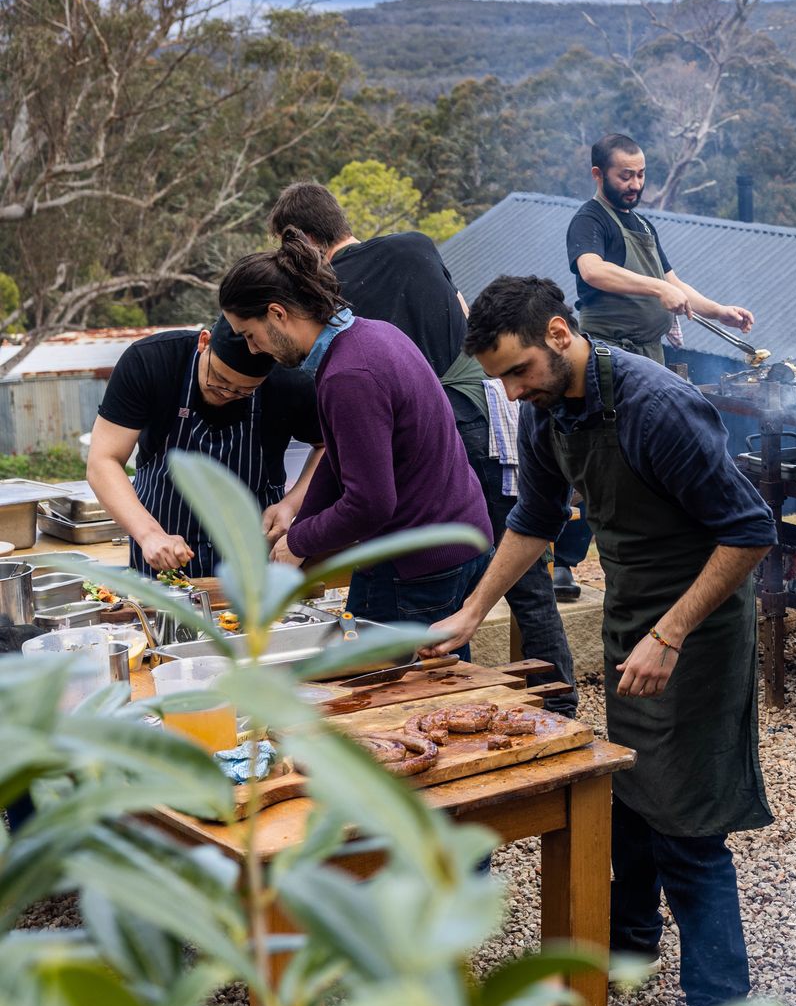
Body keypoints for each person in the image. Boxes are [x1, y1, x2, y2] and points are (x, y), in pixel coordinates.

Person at [427, 276, 774, 1006]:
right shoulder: (548, 412)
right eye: (499, 381)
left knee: (689, 829)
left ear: (558, 333)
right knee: (629, 792)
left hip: (699, 628)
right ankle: (630, 947)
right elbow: (534, 519)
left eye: (517, 372)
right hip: (631, 620)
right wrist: (472, 612)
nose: (512, 392)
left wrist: (673, 632)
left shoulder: (656, 407)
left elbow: (751, 530)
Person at [269, 182, 577, 712]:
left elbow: (363, 480)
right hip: (489, 410)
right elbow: (461, 312)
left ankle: (480, 699)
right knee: (519, 568)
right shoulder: (415, 245)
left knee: (442, 580)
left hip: (444, 426)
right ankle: (557, 702)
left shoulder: (328, 301)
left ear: (305, 245)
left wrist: (301, 532)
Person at [218, 232, 492, 626]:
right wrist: (298, 529)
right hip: (458, 535)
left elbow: (371, 503)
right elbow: (341, 459)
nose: (255, 350)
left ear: (277, 314)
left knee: (390, 684)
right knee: (444, 677)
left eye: (250, 335)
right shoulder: (370, 334)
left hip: (416, 559)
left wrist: (300, 541)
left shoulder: (349, 376)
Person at [86, 320, 324, 575]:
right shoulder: (151, 361)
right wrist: (149, 534)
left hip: (254, 557)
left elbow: (328, 447)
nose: (226, 393)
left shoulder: (290, 381)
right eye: (218, 380)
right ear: (204, 342)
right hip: (163, 548)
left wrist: (290, 505)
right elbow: (103, 461)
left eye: (243, 391)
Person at [570, 134, 754, 364]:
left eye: (641, 174)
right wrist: (658, 289)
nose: (636, 185)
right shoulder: (590, 219)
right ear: (598, 174)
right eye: (625, 176)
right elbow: (592, 271)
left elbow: (673, 284)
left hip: (649, 356)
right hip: (610, 355)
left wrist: (718, 311)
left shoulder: (644, 226)